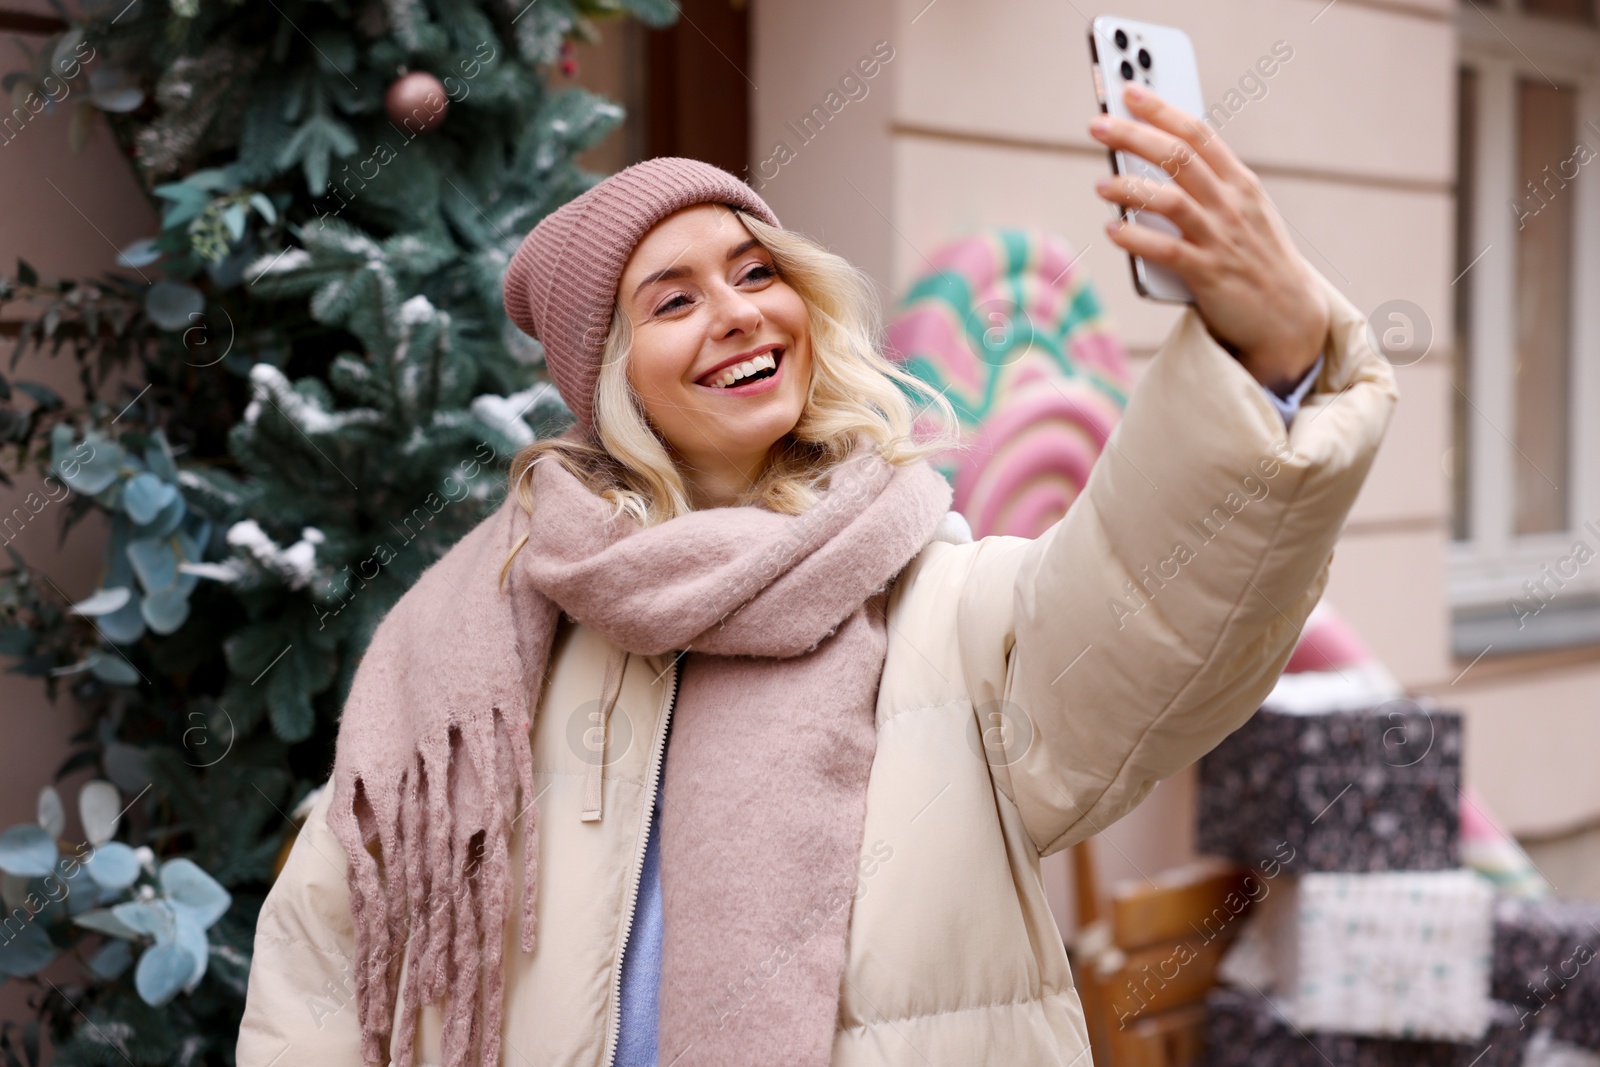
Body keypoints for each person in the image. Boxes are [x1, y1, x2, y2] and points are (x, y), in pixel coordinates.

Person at [236, 87, 1397, 1067]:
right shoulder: (483, 634)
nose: (739, 314)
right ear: (607, 376)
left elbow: (1146, 609)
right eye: (674, 298)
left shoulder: (937, 599)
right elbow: (326, 970)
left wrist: (1271, 360)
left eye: (755, 270)